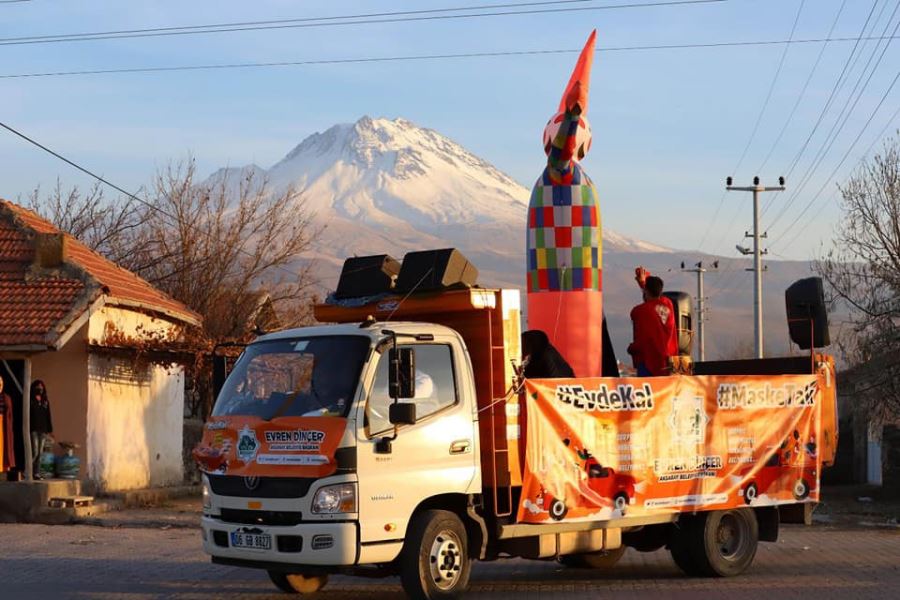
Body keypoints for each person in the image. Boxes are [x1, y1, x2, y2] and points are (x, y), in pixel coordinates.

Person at [627, 272, 677, 377]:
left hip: (648, 362)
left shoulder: (639, 311)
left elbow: (642, 338)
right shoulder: (668, 306)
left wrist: (632, 348)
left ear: (646, 291)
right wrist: (643, 284)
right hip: (667, 362)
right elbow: (657, 298)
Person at [30, 380, 52, 478]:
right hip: (34, 429)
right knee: (34, 452)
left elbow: (48, 416)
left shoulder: (45, 401)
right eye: (38, 386)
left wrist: (50, 430)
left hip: (43, 430)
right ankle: (27, 471)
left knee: (40, 453)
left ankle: (36, 473)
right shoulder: (31, 400)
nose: (40, 388)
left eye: (41, 386)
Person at [0, 376, 15, 474]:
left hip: (2, 425)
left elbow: (9, 414)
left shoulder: (6, 397)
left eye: (0, 384)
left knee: (3, 447)